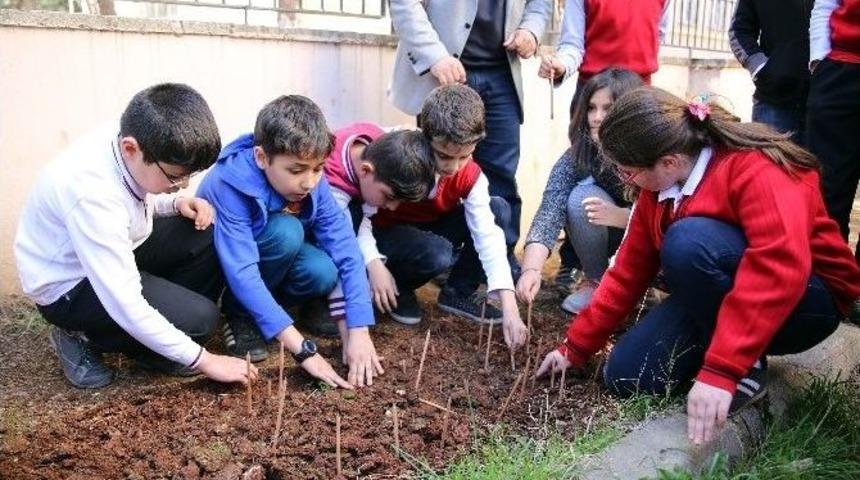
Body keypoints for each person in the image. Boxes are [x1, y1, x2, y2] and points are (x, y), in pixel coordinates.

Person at [536, 87, 860, 446]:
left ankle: (745, 367)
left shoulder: (756, 168)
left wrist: (723, 369)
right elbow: (626, 273)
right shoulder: (658, 190)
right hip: (728, 296)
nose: (625, 181)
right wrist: (575, 347)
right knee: (628, 375)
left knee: (687, 242)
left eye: (627, 173)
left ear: (669, 162)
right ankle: (721, 349)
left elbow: (779, 268)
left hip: (807, 301)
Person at [14, 83, 257, 389]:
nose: (183, 184)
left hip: (115, 247)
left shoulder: (133, 139)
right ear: (131, 148)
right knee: (201, 321)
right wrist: (205, 360)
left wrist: (176, 203)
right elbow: (125, 303)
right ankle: (80, 334)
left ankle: (154, 343)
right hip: (69, 287)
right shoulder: (92, 195)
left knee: (205, 232)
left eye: (188, 176)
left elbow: (134, 198)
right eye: (175, 177)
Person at [198, 95, 380, 388]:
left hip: (271, 261)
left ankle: (270, 313)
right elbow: (242, 271)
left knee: (322, 271)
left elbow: (346, 248)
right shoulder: (229, 183)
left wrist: (359, 327)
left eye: (318, 169)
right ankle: (239, 314)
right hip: (227, 268)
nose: (309, 182)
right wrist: (303, 350)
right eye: (296, 171)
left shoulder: (312, 180)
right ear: (261, 157)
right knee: (286, 232)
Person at [389, 0, 553, 266]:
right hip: (443, 70)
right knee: (435, 172)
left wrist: (531, 29)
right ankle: (435, 257)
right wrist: (434, 56)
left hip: (503, 72)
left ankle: (499, 259)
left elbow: (540, 3)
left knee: (501, 176)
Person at [373, 85, 528, 349]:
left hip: (430, 228)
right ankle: (400, 286)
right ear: (425, 135)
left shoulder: (470, 175)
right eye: (444, 155)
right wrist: (372, 262)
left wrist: (510, 306)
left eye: (464, 157)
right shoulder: (396, 151)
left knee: (498, 209)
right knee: (438, 253)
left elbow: (487, 236)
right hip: (388, 234)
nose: (453, 167)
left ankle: (457, 292)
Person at [517, 68, 642, 314]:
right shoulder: (577, 156)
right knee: (580, 199)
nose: (596, 117)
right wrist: (531, 270)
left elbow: (669, 213)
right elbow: (549, 212)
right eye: (591, 108)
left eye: (608, 109)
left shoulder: (653, 151)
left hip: (648, 243)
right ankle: (596, 282)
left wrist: (623, 217)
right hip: (606, 241)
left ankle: (642, 289)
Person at [324, 124, 436, 325]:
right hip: (325, 237)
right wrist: (374, 264)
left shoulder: (379, 143)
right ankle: (322, 302)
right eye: (389, 197)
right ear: (365, 170)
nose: (392, 207)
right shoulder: (331, 181)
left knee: (435, 252)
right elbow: (342, 239)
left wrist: (374, 262)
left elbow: (364, 219)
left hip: (360, 228)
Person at [806, 0, 860, 260]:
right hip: (840, 69)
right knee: (828, 188)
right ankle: (830, 275)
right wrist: (819, 59)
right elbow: (825, 4)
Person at [729, 0, 813, 144]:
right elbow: (739, 30)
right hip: (773, 100)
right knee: (770, 158)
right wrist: (761, 68)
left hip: (824, 100)